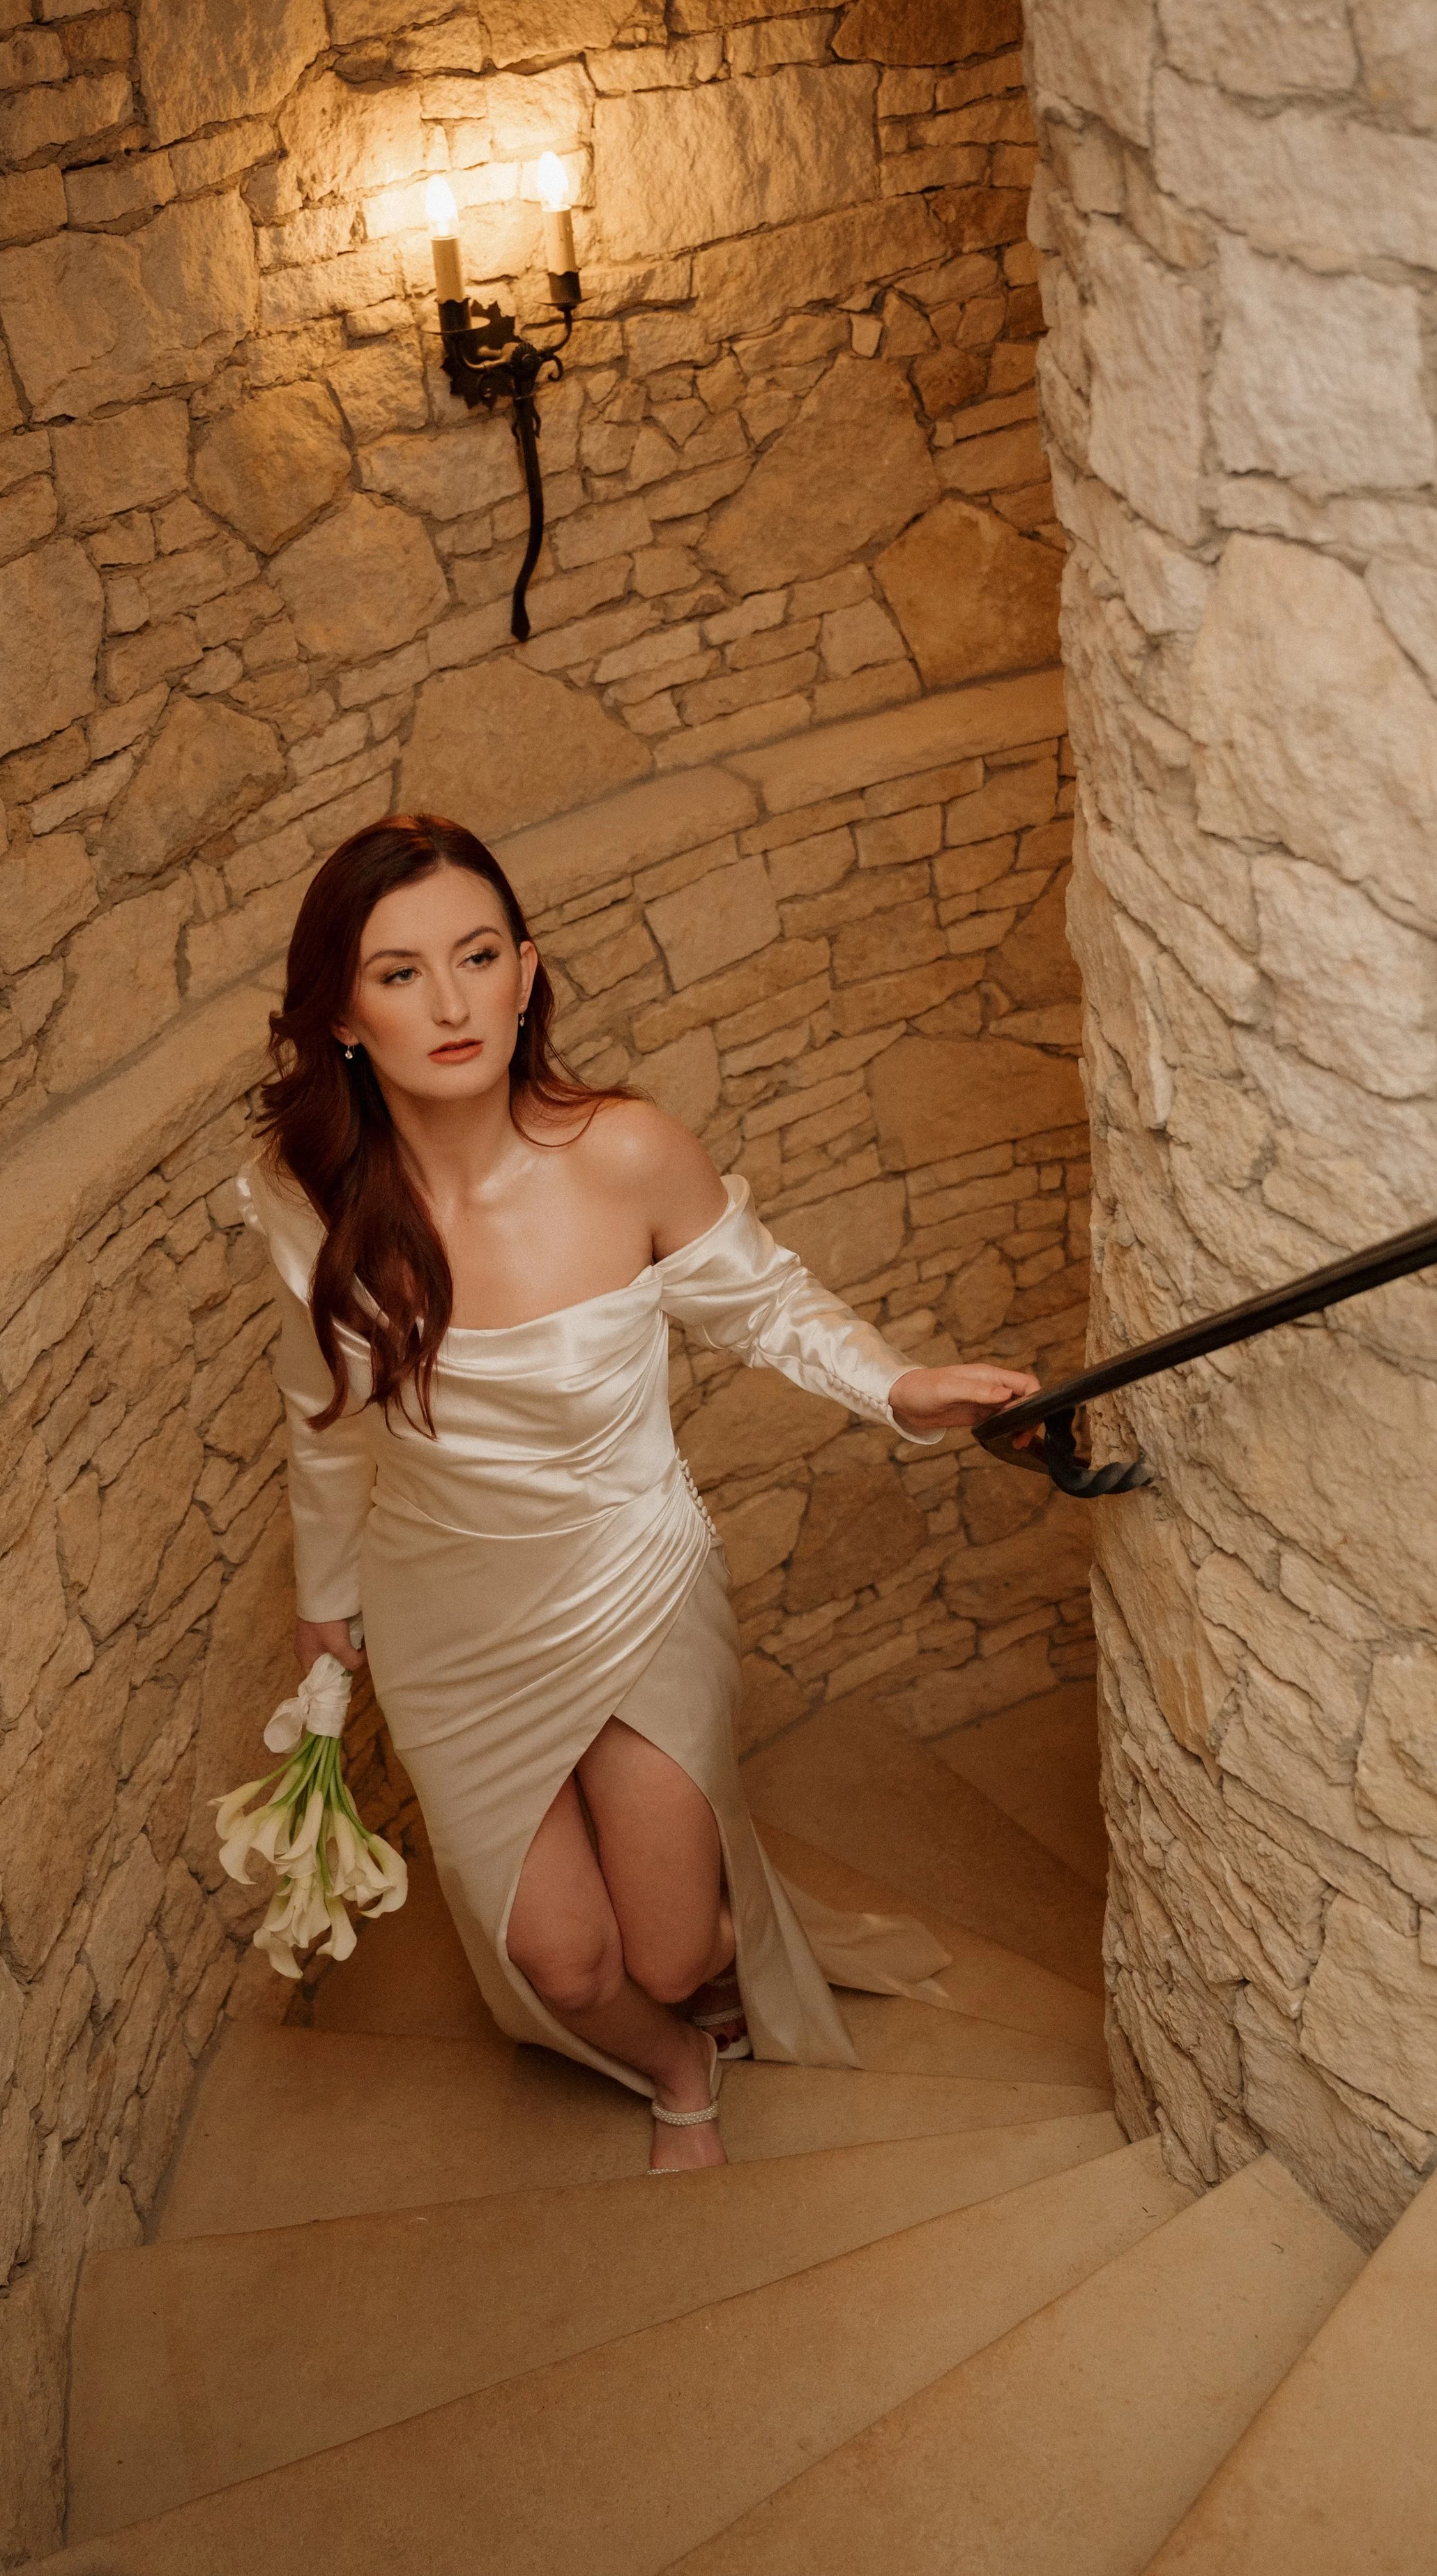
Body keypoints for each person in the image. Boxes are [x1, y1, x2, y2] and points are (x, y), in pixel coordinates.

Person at [239, 815, 1040, 2172]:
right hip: (446, 1620)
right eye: (398, 972)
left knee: (669, 1945)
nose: (449, 1002)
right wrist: (327, 1610)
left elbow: (768, 1308)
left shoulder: (623, 1152)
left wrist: (896, 1389)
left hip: (632, 1582)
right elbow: (327, 1424)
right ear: (340, 1019)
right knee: (565, 1960)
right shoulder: (304, 1194)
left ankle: (704, 1985)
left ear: (524, 971)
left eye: (478, 956)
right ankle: (676, 2071)